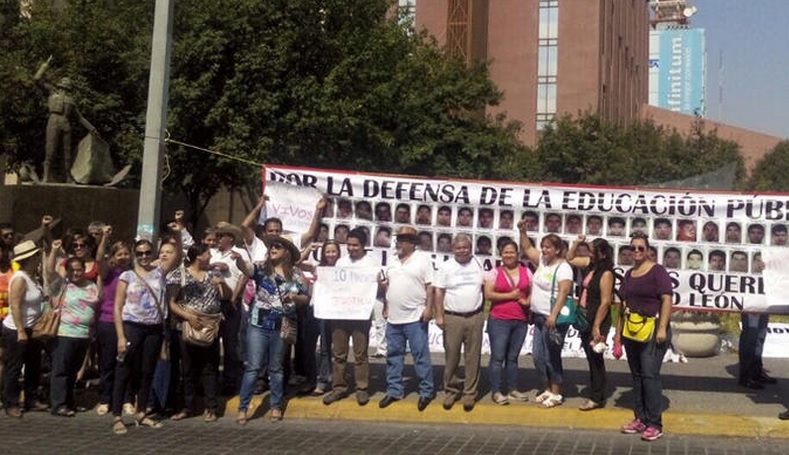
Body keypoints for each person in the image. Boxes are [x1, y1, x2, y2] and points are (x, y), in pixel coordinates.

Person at [237, 235, 309, 423]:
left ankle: (276, 406)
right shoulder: (261, 268)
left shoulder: (294, 274)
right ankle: (243, 407)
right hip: (258, 325)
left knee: (276, 368)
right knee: (253, 367)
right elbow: (245, 268)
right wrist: (239, 260)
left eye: (278, 246)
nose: (273, 249)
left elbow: (305, 297)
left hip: (281, 327)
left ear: (286, 252)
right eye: (271, 246)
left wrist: (294, 298)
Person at [111, 240, 179, 434]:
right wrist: (120, 336)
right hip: (132, 326)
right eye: (139, 253)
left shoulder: (159, 272)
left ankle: (141, 411)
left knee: (147, 371)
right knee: (124, 370)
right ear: (135, 254)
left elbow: (177, 256)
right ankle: (117, 415)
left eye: (147, 252)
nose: (143, 256)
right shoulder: (127, 276)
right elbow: (117, 307)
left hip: (154, 328)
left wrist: (178, 232)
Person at [616, 232, 672, 442]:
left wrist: (662, 328)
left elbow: (667, 299)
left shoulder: (658, 271)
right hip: (632, 330)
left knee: (650, 375)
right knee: (637, 376)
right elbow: (622, 305)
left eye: (641, 248)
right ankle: (640, 418)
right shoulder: (629, 274)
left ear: (648, 250)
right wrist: (618, 335)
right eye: (633, 248)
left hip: (653, 330)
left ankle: (655, 423)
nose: (637, 251)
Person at [166, 244, 227, 422]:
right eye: (207, 253)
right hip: (187, 326)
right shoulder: (179, 275)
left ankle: (211, 407)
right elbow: (172, 303)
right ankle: (187, 406)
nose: (210, 256)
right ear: (198, 256)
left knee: (210, 367)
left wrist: (222, 284)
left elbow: (226, 296)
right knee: (188, 368)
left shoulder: (213, 274)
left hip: (209, 326)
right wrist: (188, 317)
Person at [378, 226, 435, 411]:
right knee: (393, 356)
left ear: (412, 243)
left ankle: (426, 391)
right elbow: (389, 286)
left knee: (420, 356)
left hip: (415, 317)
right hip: (394, 318)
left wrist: (429, 308)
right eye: (398, 239)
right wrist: (386, 305)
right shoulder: (392, 261)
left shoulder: (423, 260)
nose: (399, 242)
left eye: (403, 239)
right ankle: (394, 390)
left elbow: (430, 286)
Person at [45, 244, 101, 417]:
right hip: (65, 333)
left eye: (79, 270)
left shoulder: (91, 286)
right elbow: (49, 272)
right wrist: (54, 251)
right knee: (61, 370)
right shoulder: (61, 285)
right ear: (67, 271)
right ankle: (58, 404)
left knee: (73, 371)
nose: (76, 273)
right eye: (73, 270)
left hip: (84, 335)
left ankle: (69, 401)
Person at [519, 228, 572, 408]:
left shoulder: (564, 268)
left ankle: (556, 393)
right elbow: (527, 248)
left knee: (552, 356)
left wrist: (554, 315)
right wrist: (522, 231)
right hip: (538, 317)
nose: (544, 250)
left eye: (548, 247)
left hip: (553, 319)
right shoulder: (542, 261)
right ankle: (547, 388)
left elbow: (563, 292)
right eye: (543, 246)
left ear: (557, 250)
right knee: (538, 357)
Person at [322, 230, 376, 406]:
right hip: (340, 314)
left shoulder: (371, 263)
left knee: (360, 354)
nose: (351, 248)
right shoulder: (341, 262)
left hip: (361, 315)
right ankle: (338, 388)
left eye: (355, 245)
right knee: (339, 353)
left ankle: (362, 388)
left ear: (363, 245)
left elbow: (374, 288)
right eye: (349, 245)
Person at [434, 234, 486, 411]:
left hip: (474, 316)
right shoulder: (446, 267)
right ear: (453, 249)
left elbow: (484, 287)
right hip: (453, 317)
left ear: (470, 248)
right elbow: (439, 292)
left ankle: (469, 393)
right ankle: (451, 390)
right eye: (458, 248)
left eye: (465, 247)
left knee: (473, 357)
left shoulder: (478, 263)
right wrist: (439, 315)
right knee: (452, 356)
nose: (462, 251)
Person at [568, 236, 615, 411]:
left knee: (596, 358)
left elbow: (605, 302)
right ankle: (596, 393)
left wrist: (596, 326)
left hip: (597, 318)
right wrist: (577, 242)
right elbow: (570, 258)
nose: (589, 254)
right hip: (585, 316)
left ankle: (597, 396)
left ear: (602, 254)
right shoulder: (590, 266)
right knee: (590, 356)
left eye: (592, 251)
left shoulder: (606, 273)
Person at [34, 58, 98, 183]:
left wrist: (91, 128)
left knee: (67, 153)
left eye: (66, 86)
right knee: (50, 150)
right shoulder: (51, 93)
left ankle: (67, 176)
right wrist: (45, 65)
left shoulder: (71, 101)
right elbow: (36, 79)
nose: (64, 88)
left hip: (65, 123)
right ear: (60, 85)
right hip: (53, 120)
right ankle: (46, 176)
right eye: (64, 85)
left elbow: (80, 118)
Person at [2, 240, 47, 418]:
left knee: (33, 365)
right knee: (14, 367)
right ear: (29, 259)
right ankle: (11, 402)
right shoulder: (20, 278)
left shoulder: (32, 277)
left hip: (32, 327)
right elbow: (14, 305)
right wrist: (20, 330)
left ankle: (31, 398)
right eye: (36, 256)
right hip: (17, 328)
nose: (38, 258)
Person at [484, 238, 530, 406]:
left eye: (512, 252)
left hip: (520, 320)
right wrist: (510, 296)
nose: (509, 255)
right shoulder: (494, 272)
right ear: (501, 254)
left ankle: (512, 389)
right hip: (499, 320)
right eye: (505, 252)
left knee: (512, 358)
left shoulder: (526, 271)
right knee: (497, 357)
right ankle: (496, 391)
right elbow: (488, 294)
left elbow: (534, 290)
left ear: (517, 254)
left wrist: (528, 301)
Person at [95, 241, 132, 416]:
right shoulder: (108, 272)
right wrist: (104, 238)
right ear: (113, 257)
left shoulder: (134, 273)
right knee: (107, 363)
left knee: (126, 363)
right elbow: (99, 258)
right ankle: (105, 398)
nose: (123, 257)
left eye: (126, 253)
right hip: (108, 321)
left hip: (128, 321)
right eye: (119, 254)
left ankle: (126, 399)